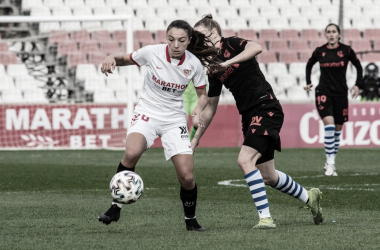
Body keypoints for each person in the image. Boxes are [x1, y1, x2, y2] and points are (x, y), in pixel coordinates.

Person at [191, 14, 323, 229]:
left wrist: (227, 63)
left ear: (214, 34)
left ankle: (266, 218)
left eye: (201, 36)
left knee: (244, 160)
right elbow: (211, 107)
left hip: (266, 106)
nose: (199, 42)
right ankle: (309, 197)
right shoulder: (213, 68)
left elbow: (256, 47)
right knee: (269, 176)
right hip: (248, 115)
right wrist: (196, 139)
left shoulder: (231, 44)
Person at [98, 19, 220, 231]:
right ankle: (115, 207)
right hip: (147, 112)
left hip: (174, 119)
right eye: (171, 39)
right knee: (131, 153)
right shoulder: (151, 53)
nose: (175, 45)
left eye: (181, 40)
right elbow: (124, 59)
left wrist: (198, 110)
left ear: (189, 41)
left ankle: (190, 220)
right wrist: (111, 58)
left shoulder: (193, 64)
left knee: (187, 176)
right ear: (166, 38)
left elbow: (202, 95)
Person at [304, 23, 363, 176]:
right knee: (329, 127)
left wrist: (357, 85)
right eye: (328, 32)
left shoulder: (346, 50)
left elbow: (358, 66)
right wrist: (308, 81)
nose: (331, 34)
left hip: (341, 94)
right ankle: (331, 164)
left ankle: (330, 162)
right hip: (323, 93)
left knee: (337, 131)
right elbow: (309, 64)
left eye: (333, 32)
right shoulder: (320, 51)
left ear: (338, 34)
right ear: (326, 35)